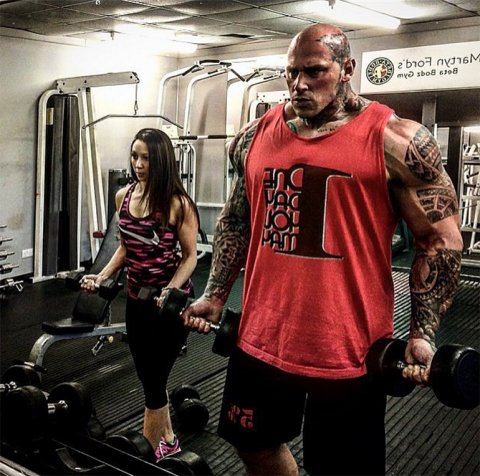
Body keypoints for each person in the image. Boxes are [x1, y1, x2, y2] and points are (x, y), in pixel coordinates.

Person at [182, 23, 463, 476]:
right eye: (291, 73)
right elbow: (237, 219)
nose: (299, 84)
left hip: (348, 347)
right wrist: (215, 294)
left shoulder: (396, 140)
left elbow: (440, 241)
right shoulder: (254, 137)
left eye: (314, 71)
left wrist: (422, 334)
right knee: (252, 446)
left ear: (347, 69)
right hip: (261, 335)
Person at [81, 128, 199, 461]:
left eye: (146, 158)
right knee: (150, 378)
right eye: (135, 156)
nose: (138, 164)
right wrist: (101, 276)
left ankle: (143, 458)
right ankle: (169, 439)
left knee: (154, 381)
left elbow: (190, 256)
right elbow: (125, 247)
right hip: (136, 302)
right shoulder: (123, 196)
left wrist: (170, 289)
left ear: (161, 161)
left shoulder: (177, 204)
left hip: (170, 307)